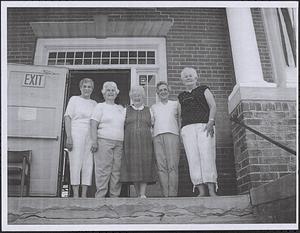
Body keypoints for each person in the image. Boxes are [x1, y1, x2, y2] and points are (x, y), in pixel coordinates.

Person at [177, 67, 218, 197]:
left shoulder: (204, 89)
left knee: (207, 155)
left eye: (190, 75)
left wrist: (211, 121)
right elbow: (179, 115)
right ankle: (201, 190)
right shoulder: (181, 96)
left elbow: (213, 106)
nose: (188, 78)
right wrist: (180, 131)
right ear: (182, 80)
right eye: (185, 76)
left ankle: (212, 190)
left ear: (196, 77)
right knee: (193, 158)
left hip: (204, 126)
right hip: (187, 129)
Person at [90, 81, 125, 198]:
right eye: (108, 90)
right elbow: (93, 124)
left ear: (116, 93)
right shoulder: (100, 106)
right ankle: (100, 198)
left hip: (119, 142)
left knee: (117, 171)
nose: (110, 92)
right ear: (104, 93)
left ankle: (114, 197)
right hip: (103, 141)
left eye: (113, 90)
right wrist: (94, 141)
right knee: (103, 170)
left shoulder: (121, 108)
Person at [120, 86, 156, 198]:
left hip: (146, 142)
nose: (137, 98)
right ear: (131, 97)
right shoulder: (126, 110)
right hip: (130, 143)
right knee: (133, 166)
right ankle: (137, 193)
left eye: (139, 95)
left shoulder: (149, 110)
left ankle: (143, 193)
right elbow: (121, 126)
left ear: (143, 97)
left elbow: (153, 126)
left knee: (145, 164)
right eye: (135, 96)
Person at [64, 78, 97, 198]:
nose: (87, 89)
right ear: (80, 88)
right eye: (85, 86)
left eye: (89, 87)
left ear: (92, 89)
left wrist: (95, 140)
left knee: (88, 163)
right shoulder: (74, 99)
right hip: (76, 132)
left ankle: (84, 194)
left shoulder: (94, 104)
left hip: (90, 135)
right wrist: (69, 137)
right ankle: (76, 194)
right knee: (76, 162)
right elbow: (67, 117)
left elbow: (96, 122)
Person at [151, 81, 180, 197]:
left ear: (168, 91)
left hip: (172, 135)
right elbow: (152, 124)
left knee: (172, 166)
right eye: (161, 90)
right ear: (157, 93)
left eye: (165, 90)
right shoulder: (154, 107)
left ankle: (172, 195)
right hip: (157, 136)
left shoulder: (175, 104)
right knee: (161, 166)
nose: (163, 92)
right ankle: (165, 195)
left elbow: (180, 120)